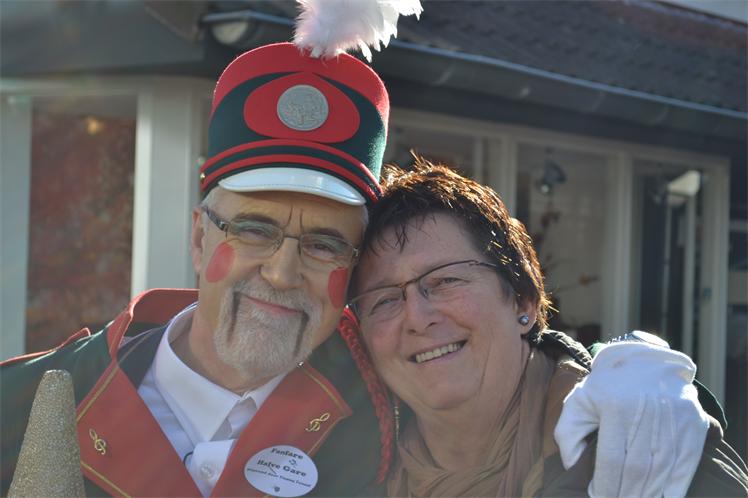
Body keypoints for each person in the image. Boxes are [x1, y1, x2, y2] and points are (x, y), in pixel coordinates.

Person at [349, 158, 748, 497]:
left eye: (445, 280)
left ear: (523, 300)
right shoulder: (346, 466)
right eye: (384, 300)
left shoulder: (648, 443)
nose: (417, 317)